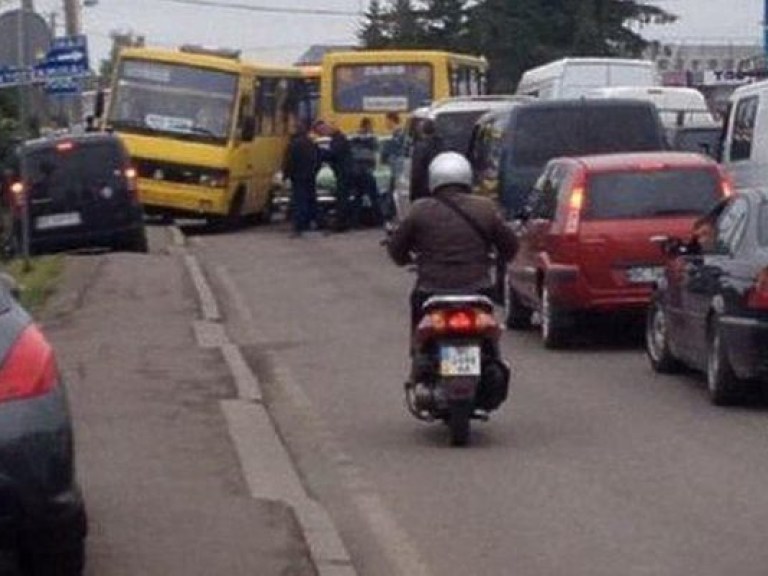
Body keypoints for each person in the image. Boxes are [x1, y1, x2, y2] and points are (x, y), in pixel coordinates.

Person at [387, 151, 518, 340]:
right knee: (489, 335)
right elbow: (511, 247)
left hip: (431, 288)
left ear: (433, 179)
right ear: (466, 177)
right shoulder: (485, 208)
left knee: (420, 332)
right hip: (478, 288)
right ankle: (491, 355)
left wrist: (409, 259)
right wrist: (495, 259)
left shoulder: (419, 210)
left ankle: (417, 351)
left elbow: (396, 251)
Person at [314, 120, 353, 232]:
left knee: (342, 199)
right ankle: (342, 222)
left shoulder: (339, 139)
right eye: (319, 132)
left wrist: (318, 151)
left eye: (321, 130)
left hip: (344, 173)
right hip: (341, 172)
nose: (322, 133)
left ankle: (342, 224)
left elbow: (333, 154)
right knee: (341, 198)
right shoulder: (336, 139)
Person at [282, 120, 320, 237]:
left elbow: (289, 161)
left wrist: (286, 175)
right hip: (310, 176)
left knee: (299, 201)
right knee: (310, 199)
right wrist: (314, 171)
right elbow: (317, 159)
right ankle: (310, 222)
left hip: (298, 177)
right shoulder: (311, 143)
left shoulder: (293, 144)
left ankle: (299, 226)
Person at [349, 117, 383, 228]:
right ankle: (379, 220)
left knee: (358, 197)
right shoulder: (370, 138)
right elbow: (376, 148)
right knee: (374, 196)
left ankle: (355, 221)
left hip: (356, 171)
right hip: (365, 172)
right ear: (367, 125)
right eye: (370, 125)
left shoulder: (354, 138)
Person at [409, 118, 442, 203]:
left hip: (424, 191)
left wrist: (413, 194)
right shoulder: (442, 146)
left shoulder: (420, 148)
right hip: (440, 188)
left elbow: (416, 171)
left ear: (421, 131)